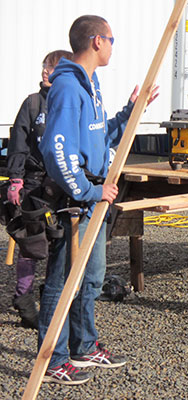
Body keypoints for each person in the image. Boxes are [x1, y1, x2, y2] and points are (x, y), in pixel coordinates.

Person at [37, 15, 158, 385]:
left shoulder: (91, 85)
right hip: (76, 201)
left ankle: (83, 345)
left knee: (91, 279)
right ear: (95, 42)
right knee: (61, 281)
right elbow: (56, 149)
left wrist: (129, 112)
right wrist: (89, 191)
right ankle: (53, 357)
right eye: (111, 38)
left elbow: (98, 137)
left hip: (95, 198)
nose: (112, 45)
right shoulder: (68, 89)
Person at [7, 50, 73, 329]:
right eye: (45, 65)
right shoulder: (33, 104)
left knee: (60, 244)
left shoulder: (70, 103)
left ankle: (51, 297)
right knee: (31, 245)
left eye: (53, 67)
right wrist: (15, 180)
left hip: (63, 186)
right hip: (34, 184)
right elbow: (18, 142)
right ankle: (23, 300)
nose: (46, 71)